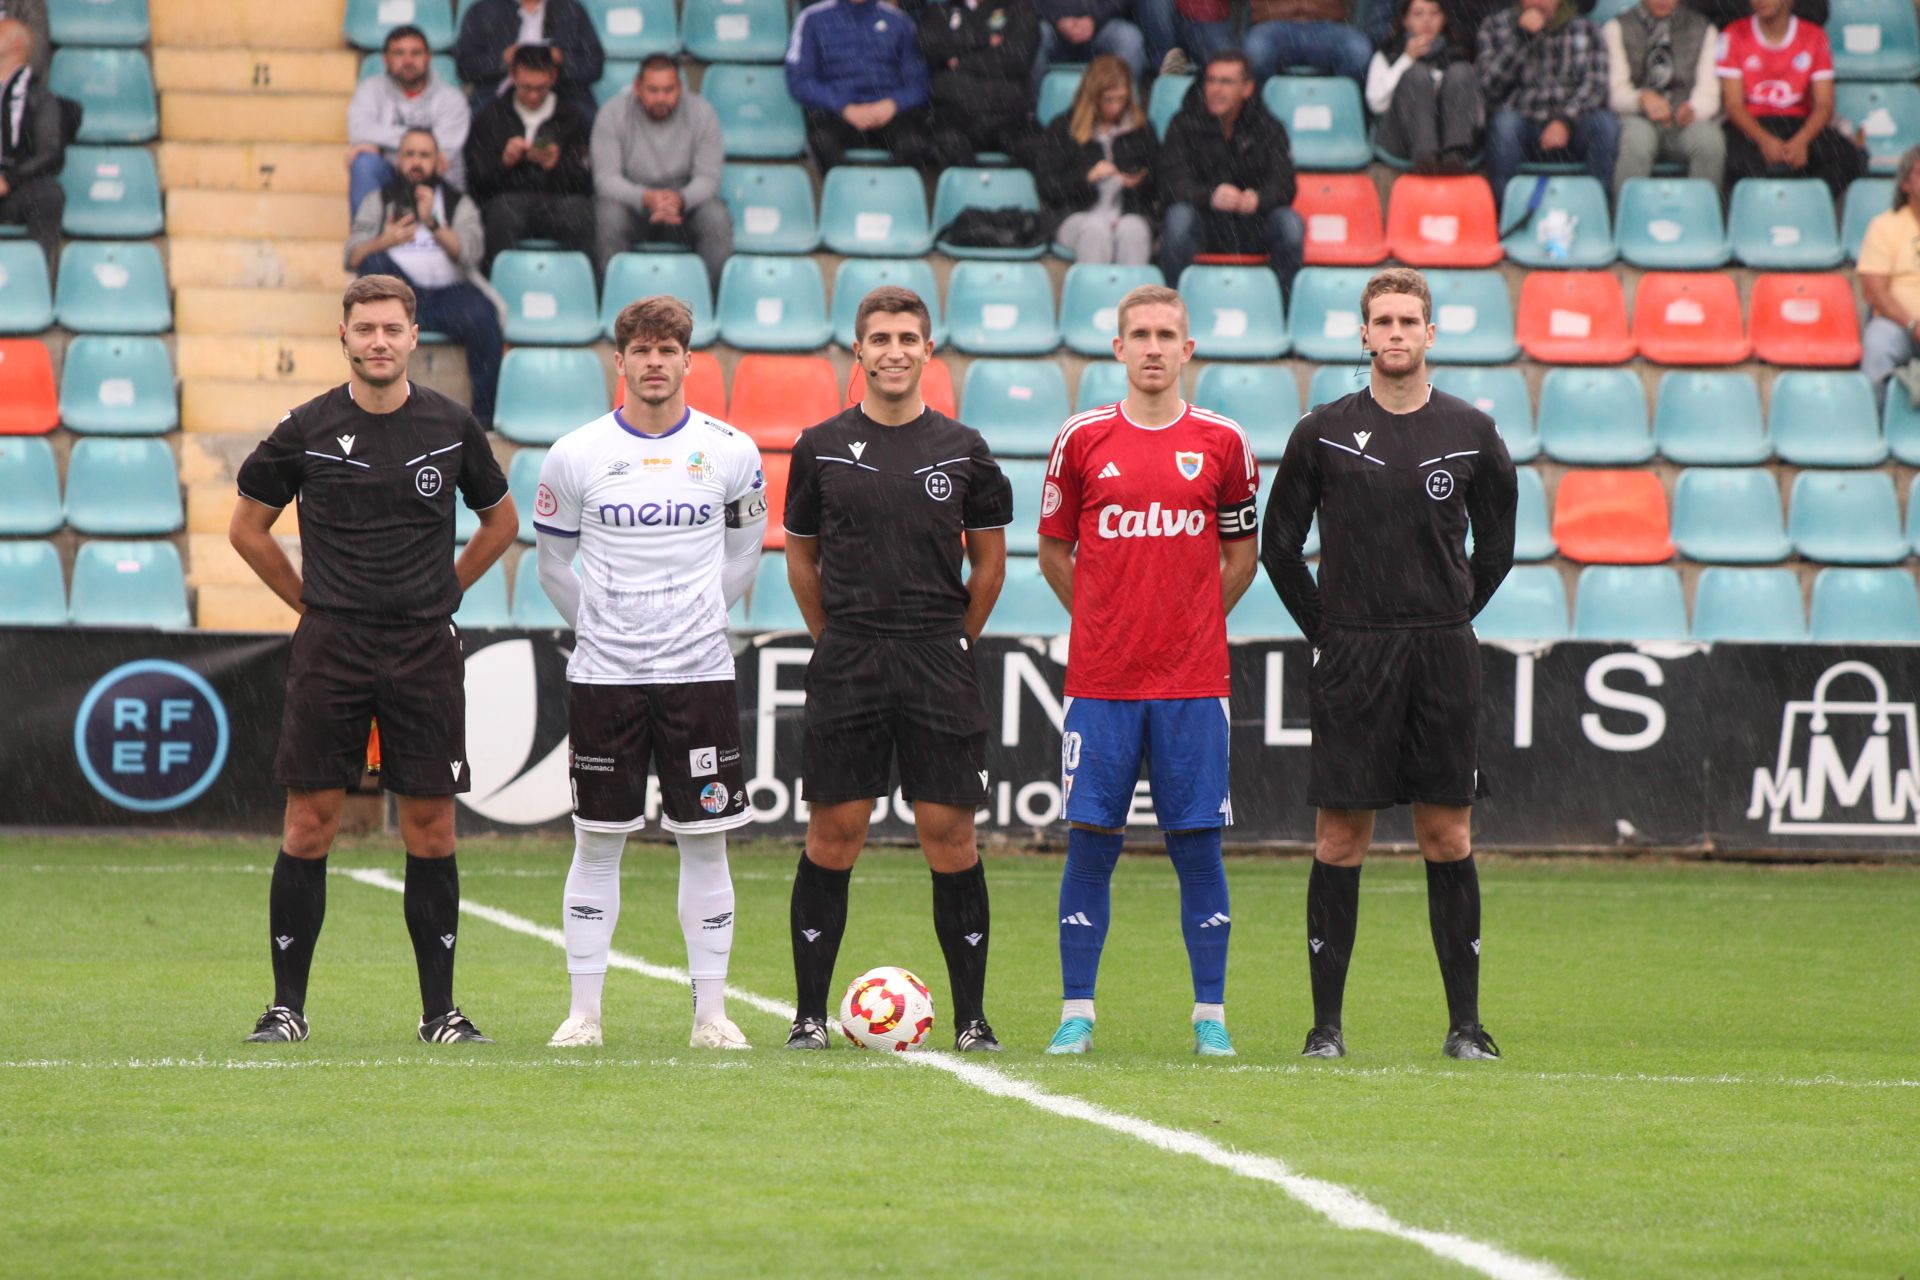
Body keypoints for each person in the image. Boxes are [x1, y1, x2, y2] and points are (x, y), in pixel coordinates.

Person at [229, 274, 518, 1046]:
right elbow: (247, 528)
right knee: (310, 822)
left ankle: (440, 1014)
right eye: (366, 330)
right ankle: (286, 1008)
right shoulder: (307, 427)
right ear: (345, 337)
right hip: (334, 646)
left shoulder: (453, 425)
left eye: (393, 329)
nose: (379, 341)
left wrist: (443, 591)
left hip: (424, 647)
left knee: (430, 828)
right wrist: (307, 602)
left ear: (415, 336)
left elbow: (500, 521)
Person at [1259, 266, 1517, 1062]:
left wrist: (1446, 621)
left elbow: (1497, 550)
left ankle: (1465, 1028)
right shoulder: (1323, 432)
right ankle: (1325, 1029)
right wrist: (1331, 632)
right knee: (1341, 838)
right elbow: (1278, 548)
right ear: (1363, 334)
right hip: (1354, 653)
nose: (1397, 333)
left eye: (1411, 321)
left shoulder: (1471, 431)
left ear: (1430, 334)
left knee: (1447, 833)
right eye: (1384, 321)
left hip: (1441, 653)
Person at [781, 286, 1013, 1054]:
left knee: (949, 835)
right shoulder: (818, 446)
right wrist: (835, 637)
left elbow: (988, 565)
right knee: (834, 834)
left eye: (908, 338)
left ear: (927, 351)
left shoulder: (966, 448)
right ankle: (809, 1015)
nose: (894, 350)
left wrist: (955, 639)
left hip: (935, 655)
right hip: (850, 655)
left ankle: (973, 1019)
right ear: (858, 351)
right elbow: (803, 560)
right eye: (879, 338)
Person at [533, 296, 765, 1051]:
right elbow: (552, 564)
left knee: (707, 842)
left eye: (669, 349)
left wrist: (692, 620)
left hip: (699, 676)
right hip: (606, 679)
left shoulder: (731, 451)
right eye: (642, 349)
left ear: (688, 361)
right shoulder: (575, 454)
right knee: (598, 841)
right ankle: (584, 1015)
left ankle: (711, 1016)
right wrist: (604, 627)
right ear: (621, 361)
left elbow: (744, 555)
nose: (655, 362)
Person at [1035, 285, 1260, 1058]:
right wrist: (1101, 619)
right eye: (1141, 334)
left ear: (1188, 349)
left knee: (1197, 846)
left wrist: (1191, 619)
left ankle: (1211, 1019)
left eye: (1168, 334)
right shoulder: (1082, 438)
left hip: (1194, 684)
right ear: (1119, 349)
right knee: (1090, 843)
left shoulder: (1225, 442)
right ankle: (1076, 1013)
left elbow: (1241, 557)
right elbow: (1054, 551)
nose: (1155, 347)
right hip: (1101, 683)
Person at [346, 128, 506, 428]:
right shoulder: (378, 201)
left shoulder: (459, 203)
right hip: (397, 300)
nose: (416, 163)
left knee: (484, 315)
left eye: (424, 155)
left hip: (448, 297)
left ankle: (484, 420)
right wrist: (386, 240)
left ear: (440, 163)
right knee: (373, 261)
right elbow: (353, 257)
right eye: (409, 155)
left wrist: (433, 223)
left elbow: (471, 254)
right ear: (398, 162)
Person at [1158, 52, 1305, 301]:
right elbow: (1170, 184)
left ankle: (1281, 310)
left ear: (1247, 88)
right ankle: (1171, 307)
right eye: (1211, 80)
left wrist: (1257, 199)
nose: (1215, 89)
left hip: (1253, 224)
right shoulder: (1182, 124)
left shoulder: (1269, 127)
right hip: (1203, 224)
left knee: (1289, 224)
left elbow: (1284, 185)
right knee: (1178, 219)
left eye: (1226, 82)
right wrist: (1210, 196)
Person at [592, 55, 733, 289]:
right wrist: (646, 198)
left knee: (716, 218)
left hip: (683, 207)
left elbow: (708, 178)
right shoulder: (612, 113)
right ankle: (615, 301)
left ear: (680, 87)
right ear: (637, 88)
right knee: (609, 216)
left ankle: (709, 301)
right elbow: (605, 179)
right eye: (653, 90)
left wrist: (680, 199)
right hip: (632, 206)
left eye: (669, 90)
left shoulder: (703, 113)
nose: (661, 98)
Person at [786, 0, 968, 171]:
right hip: (837, 114)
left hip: (889, 113)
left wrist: (892, 104)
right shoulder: (811, 18)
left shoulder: (899, 21)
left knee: (914, 144)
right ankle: (843, 197)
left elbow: (919, 82)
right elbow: (800, 80)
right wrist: (844, 106)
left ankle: (892, 198)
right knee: (822, 141)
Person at [464, 44, 594, 273]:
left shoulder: (572, 118)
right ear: (512, 75)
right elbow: (474, 182)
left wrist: (557, 165)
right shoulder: (491, 116)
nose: (533, 95)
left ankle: (576, 288)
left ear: (553, 77)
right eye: (526, 88)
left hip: (558, 201)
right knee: (503, 213)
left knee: (580, 213)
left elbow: (586, 183)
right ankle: (500, 291)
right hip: (507, 201)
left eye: (540, 88)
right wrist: (503, 162)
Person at [1716, 0, 1864, 199]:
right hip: (1751, 124)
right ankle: (1758, 213)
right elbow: (1733, 105)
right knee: (1733, 158)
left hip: (1798, 121)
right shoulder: (1732, 34)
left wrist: (1801, 140)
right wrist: (1764, 140)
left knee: (1846, 156)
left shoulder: (1814, 36)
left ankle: (1805, 207)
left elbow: (1824, 104)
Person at [1476, 0, 1619, 198]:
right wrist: (1521, 37)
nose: (1538, 2)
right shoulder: (1495, 25)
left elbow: (1595, 87)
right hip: (1522, 120)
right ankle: (1505, 212)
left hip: (1573, 124)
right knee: (1504, 126)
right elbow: (1488, 87)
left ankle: (1595, 207)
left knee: (1605, 125)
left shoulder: (1586, 29)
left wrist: (1565, 120)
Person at [1032, 54, 1157, 264]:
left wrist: (1138, 181)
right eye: (1109, 100)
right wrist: (1086, 178)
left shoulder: (1141, 129)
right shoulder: (1063, 128)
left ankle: (1134, 297)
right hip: (1076, 215)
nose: (1116, 107)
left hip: (1128, 212)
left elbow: (1160, 178)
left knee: (1134, 231)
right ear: (1093, 97)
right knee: (1095, 231)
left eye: (1122, 99)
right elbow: (1047, 185)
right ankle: (1096, 295)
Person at [345, 24, 471, 213]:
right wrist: (424, 141)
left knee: (435, 162)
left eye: (416, 53)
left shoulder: (451, 98)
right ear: (385, 59)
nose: (408, 60)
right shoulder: (370, 89)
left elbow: (443, 154)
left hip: (436, 179)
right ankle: (366, 239)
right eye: (399, 53)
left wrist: (381, 146)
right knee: (364, 163)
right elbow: (359, 130)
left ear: (428, 57)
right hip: (388, 177)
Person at [1605, 0, 1723, 191]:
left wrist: (1694, 108)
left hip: (1684, 120)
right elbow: (1616, 92)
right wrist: (1641, 98)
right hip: (1637, 118)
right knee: (1637, 144)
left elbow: (1709, 92)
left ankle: (1699, 216)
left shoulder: (1704, 28)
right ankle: (1628, 216)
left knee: (1710, 143)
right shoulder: (1617, 27)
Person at [918, 0, 1041, 163]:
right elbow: (931, 45)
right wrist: (984, 39)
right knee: (946, 146)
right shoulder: (940, 11)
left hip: (1007, 114)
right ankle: (969, 187)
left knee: (1035, 149)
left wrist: (960, 62)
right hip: (954, 116)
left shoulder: (1019, 8)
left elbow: (1016, 58)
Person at [1366, 0, 1481, 173]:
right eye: (1418, 14)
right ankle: (1425, 157)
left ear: (1444, 18)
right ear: (1405, 20)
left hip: (1448, 139)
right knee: (1417, 75)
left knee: (1461, 72)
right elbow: (1376, 103)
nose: (1427, 20)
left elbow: (1477, 110)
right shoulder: (1387, 53)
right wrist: (1406, 59)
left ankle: (1454, 155)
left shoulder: (1460, 53)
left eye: (1434, 13)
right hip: (1401, 140)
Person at [455, 0, 604, 120]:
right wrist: (502, 59)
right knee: (475, 122)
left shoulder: (571, 10)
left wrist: (561, 59)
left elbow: (594, 65)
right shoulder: (483, 10)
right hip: (498, 97)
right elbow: (465, 67)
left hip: (564, 96)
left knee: (589, 121)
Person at [0, 18, 63, 280]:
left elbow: (51, 154)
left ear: (14, 43)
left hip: (13, 191)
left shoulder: (40, 97)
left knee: (49, 196)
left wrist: (8, 180)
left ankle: (32, 284)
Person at [1857, 146, 1920, 404]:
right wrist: (1912, 325)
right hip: (1899, 327)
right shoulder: (1885, 226)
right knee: (1878, 345)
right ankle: (1878, 429)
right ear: (1905, 184)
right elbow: (1875, 292)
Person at [1243, 0, 1374, 85]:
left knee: (1357, 51)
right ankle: (1262, 115)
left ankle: (1340, 109)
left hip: (1326, 25)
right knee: (1256, 52)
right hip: (1272, 24)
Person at [1033, 0, 1150, 87]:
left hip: (1101, 26)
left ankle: (1120, 109)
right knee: (1034, 36)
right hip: (1052, 27)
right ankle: (1031, 114)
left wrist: (1094, 18)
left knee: (1130, 39)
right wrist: (1057, 19)